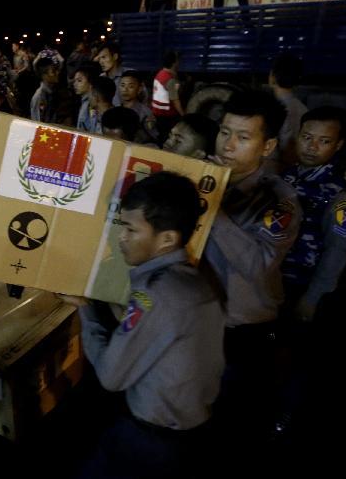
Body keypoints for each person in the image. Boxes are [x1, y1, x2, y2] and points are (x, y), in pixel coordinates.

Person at [59, 172, 225, 479]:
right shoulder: (191, 279)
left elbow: (111, 376)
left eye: (131, 229)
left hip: (151, 439)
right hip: (187, 429)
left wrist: (86, 310)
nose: (121, 237)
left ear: (166, 239)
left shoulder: (158, 291)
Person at [203, 89, 302, 445]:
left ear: (268, 146)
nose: (228, 145)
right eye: (224, 132)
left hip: (243, 331)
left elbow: (259, 265)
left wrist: (213, 208)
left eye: (243, 137)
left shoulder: (279, 200)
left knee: (233, 420)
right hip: (199, 320)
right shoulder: (203, 176)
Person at [280, 107, 346, 321]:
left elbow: (338, 249)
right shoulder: (286, 175)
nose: (312, 147)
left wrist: (313, 298)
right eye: (306, 137)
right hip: (271, 279)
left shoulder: (343, 192)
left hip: (300, 284)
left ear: (338, 145)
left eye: (324, 141)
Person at [268, 53, 308, 168]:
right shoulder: (303, 108)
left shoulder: (271, 108)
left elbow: (287, 148)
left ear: (273, 77)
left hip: (275, 168)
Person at [151, 50, 184, 142]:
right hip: (167, 116)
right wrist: (183, 115)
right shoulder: (170, 79)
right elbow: (175, 100)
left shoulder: (160, 74)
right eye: (178, 60)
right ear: (174, 62)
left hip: (157, 114)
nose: (179, 62)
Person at [118, 71, 158, 144]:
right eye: (122, 85)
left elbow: (153, 137)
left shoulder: (145, 113)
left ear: (139, 89)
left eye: (131, 86)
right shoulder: (117, 110)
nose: (125, 90)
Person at [73, 63, 101, 133]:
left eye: (79, 81)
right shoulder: (84, 102)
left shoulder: (91, 104)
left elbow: (93, 128)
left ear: (90, 82)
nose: (75, 84)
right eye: (74, 81)